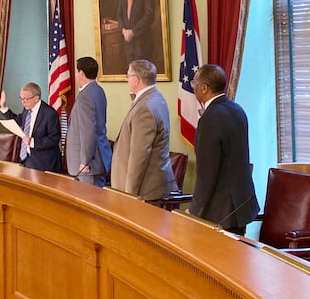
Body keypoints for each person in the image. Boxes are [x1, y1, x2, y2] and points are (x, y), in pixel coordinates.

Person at [187, 64, 259, 236]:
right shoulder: (236, 109)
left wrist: (195, 209)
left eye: (194, 82)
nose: (192, 86)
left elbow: (207, 172)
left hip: (220, 211)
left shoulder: (210, 119)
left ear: (204, 88)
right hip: (239, 205)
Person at [111, 60, 177, 201]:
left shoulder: (145, 108)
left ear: (137, 79)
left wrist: (130, 194)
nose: (127, 79)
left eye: (128, 76)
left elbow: (139, 155)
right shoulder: (156, 98)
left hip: (145, 191)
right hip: (151, 187)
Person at [65, 57, 112, 187]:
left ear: (81, 73)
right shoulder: (98, 90)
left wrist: (84, 161)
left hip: (87, 165)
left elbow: (88, 131)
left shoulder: (85, 96)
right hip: (97, 158)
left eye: (76, 71)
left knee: (87, 201)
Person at [0, 82, 62, 173]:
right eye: (21, 98)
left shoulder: (50, 114)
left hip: (45, 163)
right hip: (28, 159)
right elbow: (18, 120)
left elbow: (54, 139)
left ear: (36, 98)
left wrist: (32, 142)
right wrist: (4, 107)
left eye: (25, 99)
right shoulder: (27, 109)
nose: (23, 102)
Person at [116, 0, 155, 64]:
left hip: (142, 44)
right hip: (128, 45)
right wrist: (123, 30)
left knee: (143, 77)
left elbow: (149, 14)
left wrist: (133, 31)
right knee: (132, 76)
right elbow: (119, 15)